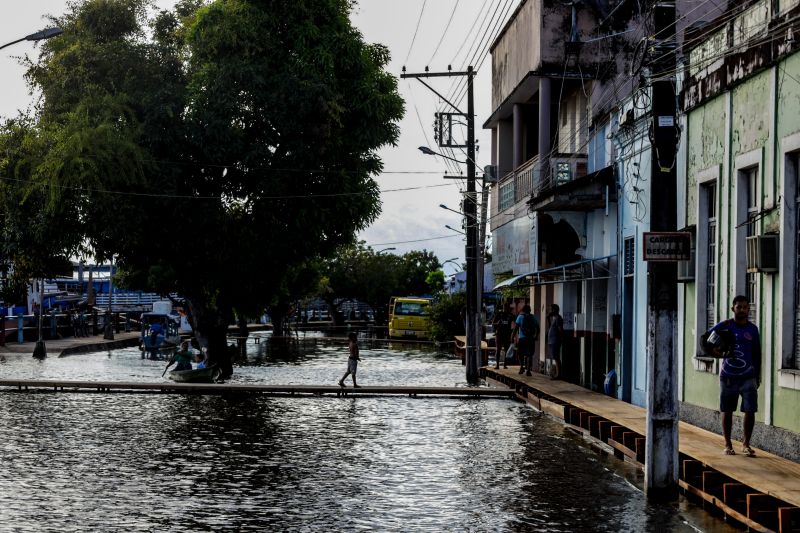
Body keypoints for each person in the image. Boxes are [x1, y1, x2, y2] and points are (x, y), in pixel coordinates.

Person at [703, 295, 761, 457]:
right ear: (733, 309)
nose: (742, 310)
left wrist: (757, 376)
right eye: (739, 307)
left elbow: (757, 353)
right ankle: (728, 444)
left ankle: (746, 444)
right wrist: (714, 352)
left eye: (745, 307)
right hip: (728, 376)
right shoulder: (725, 326)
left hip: (748, 377)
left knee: (750, 410)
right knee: (727, 410)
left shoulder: (753, 329)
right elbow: (705, 339)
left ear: (749, 309)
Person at [513, 304, 539, 376]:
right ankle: (528, 370)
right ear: (529, 310)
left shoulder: (520, 317)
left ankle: (521, 367)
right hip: (531, 338)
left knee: (520, 354)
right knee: (529, 355)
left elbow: (515, 328)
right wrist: (536, 336)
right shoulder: (533, 317)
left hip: (522, 338)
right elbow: (538, 327)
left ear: (523, 310)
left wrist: (512, 337)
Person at [492, 302, 514, 369]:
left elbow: (515, 324)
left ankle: (505, 364)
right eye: (504, 307)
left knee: (507, 350)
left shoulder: (511, 315)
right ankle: (497, 364)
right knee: (498, 349)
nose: (506, 308)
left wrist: (513, 334)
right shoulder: (499, 314)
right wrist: (497, 324)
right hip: (499, 334)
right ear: (503, 307)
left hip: (507, 335)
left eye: (507, 307)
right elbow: (493, 323)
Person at [546, 304, 565, 379]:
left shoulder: (558, 318)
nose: (549, 311)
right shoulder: (554, 318)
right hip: (552, 340)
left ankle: (558, 374)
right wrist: (548, 319)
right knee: (555, 356)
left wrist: (561, 338)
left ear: (554, 310)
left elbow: (560, 329)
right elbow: (550, 327)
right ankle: (557, 374)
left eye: (550, 309)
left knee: (556, 357)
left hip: (555, 340)